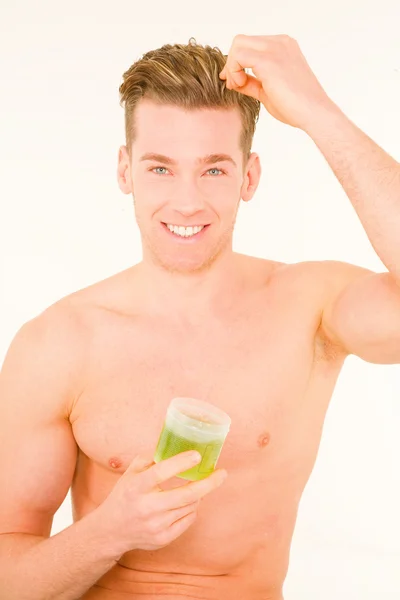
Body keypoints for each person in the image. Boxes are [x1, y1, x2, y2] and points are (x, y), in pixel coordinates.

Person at [0, 33, 399, 600]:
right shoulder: (58, 344)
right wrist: (107, 534)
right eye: (161, 168)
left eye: (213, 170)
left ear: (249, 176)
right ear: (125, 171)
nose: (187, 201)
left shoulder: (310, 307)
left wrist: (317, 111)